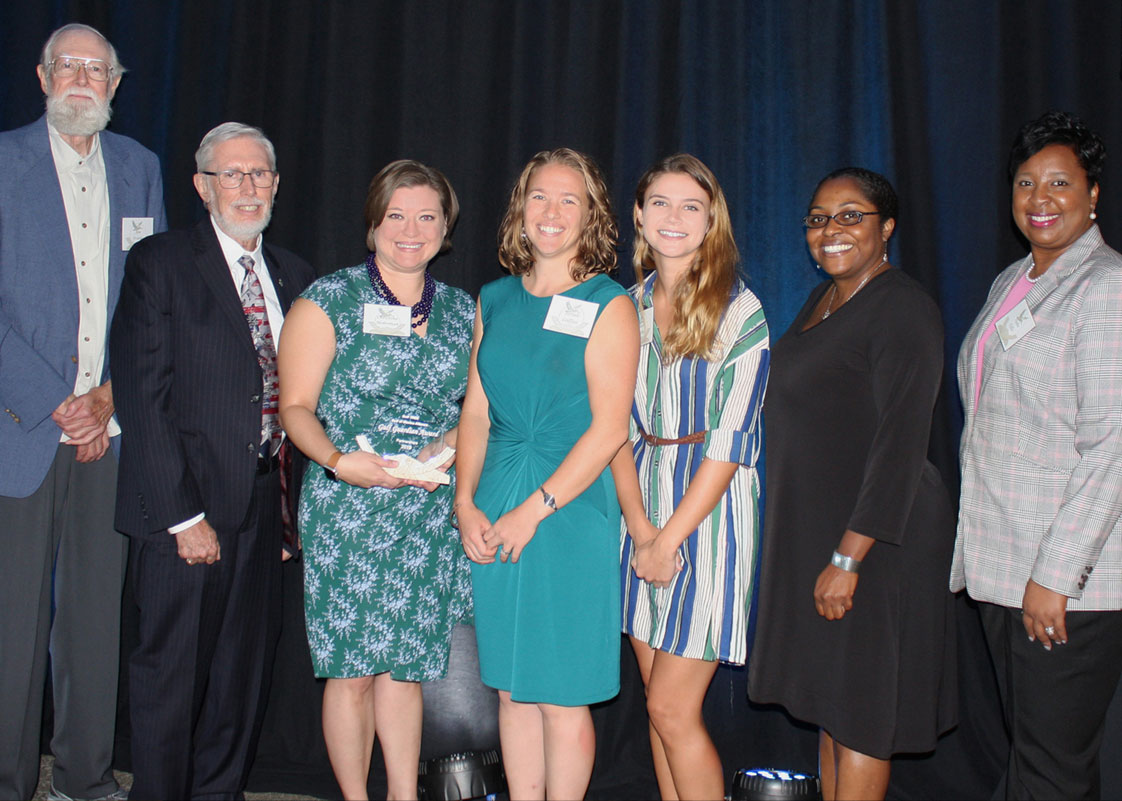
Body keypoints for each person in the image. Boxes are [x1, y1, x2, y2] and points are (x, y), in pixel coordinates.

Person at [111, 122, 314, 799]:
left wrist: (288, 512)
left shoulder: (295, 275)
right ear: (202, 187)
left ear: (277, 184)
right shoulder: (160, 263)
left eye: (260, 173)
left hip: (263, 512)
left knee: (241, 680)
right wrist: (181, 515)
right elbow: (143, 399)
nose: (248, 186)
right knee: (170, 680)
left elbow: (307, 400)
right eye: (232, 174)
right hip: (186, 513)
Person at [748, 168, 957, 801]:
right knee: (835, 707)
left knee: (864, 714)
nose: (830, 230)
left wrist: (849, 556)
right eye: (817, 219)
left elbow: (900, 445)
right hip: (824, 533)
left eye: (850, 216)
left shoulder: (903, 307)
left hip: (877, 544)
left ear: (886, 227)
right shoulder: (826, 301)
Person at [0, 23, 165, 801]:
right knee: (12, 623)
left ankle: (85, 777)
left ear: (115, 85)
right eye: (68, 66)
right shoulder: (2, 162)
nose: (82, 79)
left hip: (111, 430)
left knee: (96, 619)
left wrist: (105, 401)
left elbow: (149, 301)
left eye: (98, 69)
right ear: (41, 78)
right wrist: (57, 405)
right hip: (20, 427)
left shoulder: (139, 169)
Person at [277, 160, 474, 800]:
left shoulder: (464, 312)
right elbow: (296, 409)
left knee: (405, 670)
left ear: (446, 229)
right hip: (349, 505)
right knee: (353, 669)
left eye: (427, 217)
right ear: (373, 225)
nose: (410, 230)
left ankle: (402, 795)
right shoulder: (326, 300)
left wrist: (449, 447)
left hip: (425, 508)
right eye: (396, 215)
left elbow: (476, 408)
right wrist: (338, 462)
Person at [453, 148, 639, 799]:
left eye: (569, 200)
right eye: (539, 196)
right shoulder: (495, 299)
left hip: (569, 505)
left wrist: (533, 510)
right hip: (495, 495)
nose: (551, 212)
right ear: (519, 207)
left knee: (560, 693)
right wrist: (464, 503)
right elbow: (474, 413)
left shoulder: (609, 303)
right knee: (510, 685)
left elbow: (610, 429)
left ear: (591, 215)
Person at [952, 111, 1122, 800]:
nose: (1039, 198)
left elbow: (1112, 443)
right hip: (1004, 567)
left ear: (1093, 194)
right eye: (1026, 183)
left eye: (1059, 182)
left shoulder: (1105, 285)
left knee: (1052, 770)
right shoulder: (1014, 280)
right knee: (1033, 759)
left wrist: (1055, 574)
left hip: (1064, 586)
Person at [613, 154, 769, 800]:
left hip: (710, 517)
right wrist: (640, 527)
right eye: (660, 204)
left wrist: (668, 536)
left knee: (675, 709)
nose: (673, 218)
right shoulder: (627, 305)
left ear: (712, 222)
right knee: (657, 703)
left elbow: (731, 443)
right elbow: (611, 427)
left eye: (690, 207)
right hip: (638, 507)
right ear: (639, 217)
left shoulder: (740, 308)